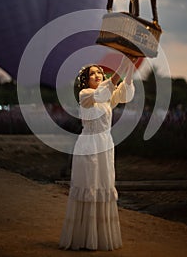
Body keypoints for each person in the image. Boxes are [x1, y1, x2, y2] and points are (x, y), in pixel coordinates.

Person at [59, 55, 136, 251]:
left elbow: (123, 90)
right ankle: (83, 237)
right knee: (89, 184)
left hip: (105, 144)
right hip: (89, 145)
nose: (97, 75)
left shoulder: (106, 97)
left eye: (99, 72)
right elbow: (109, 86)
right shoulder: (86, 95)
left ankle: (99, 237)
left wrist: (130, 65)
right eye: (92, 73)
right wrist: (122, 63)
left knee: (103, 185)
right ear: (86, 80)